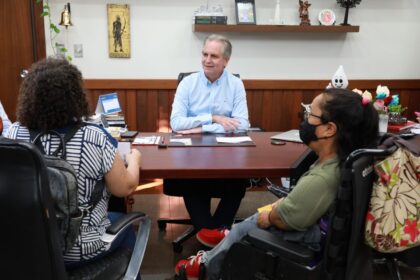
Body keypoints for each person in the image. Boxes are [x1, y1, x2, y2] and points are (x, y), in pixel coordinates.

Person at [175, 88, 379, 280]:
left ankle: (205, 267)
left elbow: (286, 219)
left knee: (251, 224)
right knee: (253, 219)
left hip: (310, 237)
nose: (305, 118)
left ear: (328, 129)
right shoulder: (341, 160)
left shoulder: (322, 178)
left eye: (310, 114)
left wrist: (270, 216)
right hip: (317, 224)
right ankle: (229, 236)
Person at [7, 58, 141, 268]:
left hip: (29, 246)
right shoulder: (94, 136)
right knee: (127, 231)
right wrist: (134, 160)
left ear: (29, 96)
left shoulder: (15, 133)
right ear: (75, 97)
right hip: (81, 249)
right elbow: (124, 188)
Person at [170, 34, 250, 247]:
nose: (207, 60)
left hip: (226, 155)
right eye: (205, 54)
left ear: (226, 61)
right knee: (190, 178)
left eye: (214, 56)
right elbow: (176, 123)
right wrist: (213, 118)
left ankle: (211, 233)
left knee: (238, 179)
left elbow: (242, 124)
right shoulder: (188, 84)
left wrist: (200, 128)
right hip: (192, 154)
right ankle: (213, 235)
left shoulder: (235, 85)